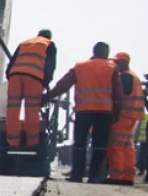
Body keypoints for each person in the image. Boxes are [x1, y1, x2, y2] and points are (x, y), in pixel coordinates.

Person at [43, 42, 123, 183]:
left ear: (94, 51)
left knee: (79, 144)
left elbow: (63, 84)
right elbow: (118, 92)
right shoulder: (112, 67)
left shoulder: (80, 66)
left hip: (83, 111)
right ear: (106, 53)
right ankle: (94, 176)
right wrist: (117, 112)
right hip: (104, 112)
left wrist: (48, 96)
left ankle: (77, 176)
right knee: (99, 145)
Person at [5, 30, 57, 147]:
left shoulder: (24, 43)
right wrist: (46, 83)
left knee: (12, 110)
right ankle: (32, 143)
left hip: (15, 76)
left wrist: (9, 75)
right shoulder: (49, 44)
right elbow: (50, 65)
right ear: (49, 37)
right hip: (34, 78)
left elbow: (12, 62)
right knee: (32, 110)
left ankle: (12, 142)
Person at [105, 52, 142, 185]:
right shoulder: (134, 76)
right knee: (127, 147)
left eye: (116, 62)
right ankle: (127, 176)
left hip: (122, 116)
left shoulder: (124, 76)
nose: (114, 64)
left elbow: (121, 95)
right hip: (132, 116)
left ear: (124, 62)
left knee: (116, 146)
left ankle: (116, 175)